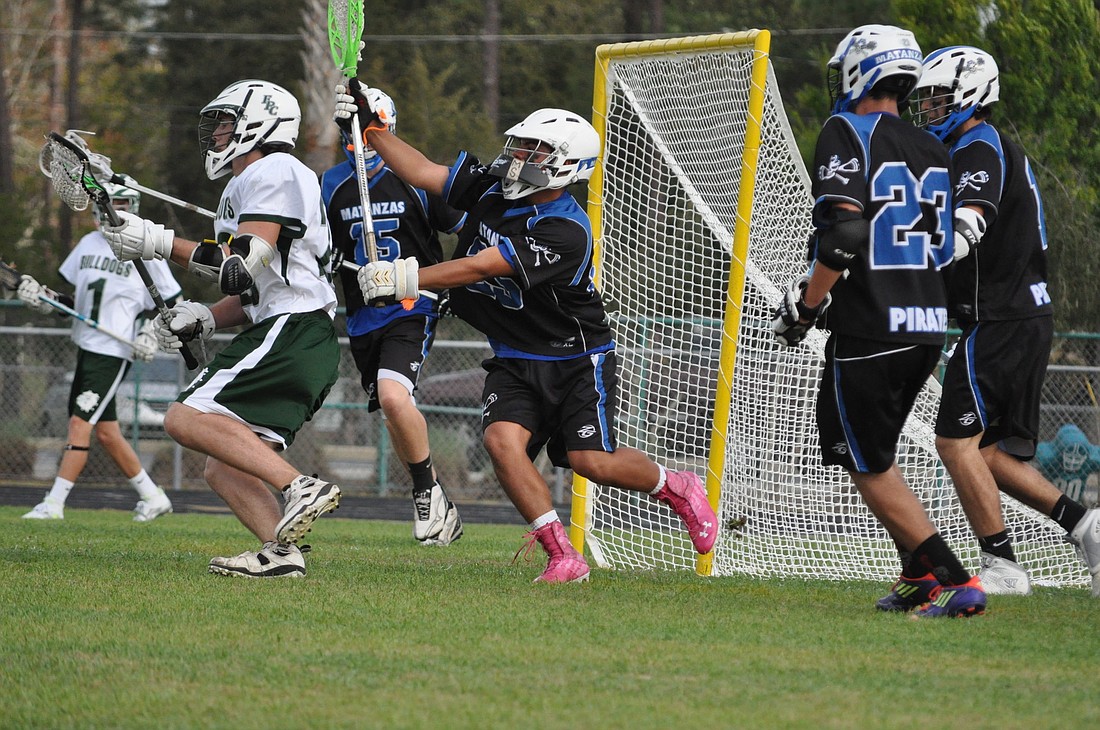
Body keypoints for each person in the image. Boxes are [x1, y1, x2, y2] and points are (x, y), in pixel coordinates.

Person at [335, 81, 719, 583]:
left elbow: (480, 267)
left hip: (575, 358)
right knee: (501, 443)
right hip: (515, 355)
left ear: (563, 166)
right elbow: (424, 171)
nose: (517, 156)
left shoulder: (565, 229)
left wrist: (405, 277)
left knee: (590, 462)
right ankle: (562, 554)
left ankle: (677, 486)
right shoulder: (495, 188)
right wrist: (373, 131)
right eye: (520, 145)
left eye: (533, 151)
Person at [771, 25, 986, 617]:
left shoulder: (846, 130)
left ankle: (953, 578)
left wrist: (808, 306)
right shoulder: (934, 147)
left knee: (863, 458)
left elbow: (843, 234)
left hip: (873, 328)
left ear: (858, 71)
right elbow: (937, 247)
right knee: (869, 453)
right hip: (923, 324)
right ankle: (917, 572)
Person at [103, 79, 342, 578]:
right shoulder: (250, 183)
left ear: (263, 123)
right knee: (224, 466)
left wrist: (158, 240)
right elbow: (255, 286)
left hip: (294, 329)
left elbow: (240, 265)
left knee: (183, 418)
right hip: (293, 331)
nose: (216, 134)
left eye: (227, 123)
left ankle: (300, 486)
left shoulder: (275, 168)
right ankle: (280, 555)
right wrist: (209, 316)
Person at [914, 46, 1100, 597]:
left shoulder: (977, 146)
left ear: (970, 94)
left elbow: (973, 218)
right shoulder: (978, 147)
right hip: (1021, 314)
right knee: (988, 451)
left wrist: (932, 252)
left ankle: (1004, 566)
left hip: (1000, 316)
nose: (927, 107)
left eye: (938, 96)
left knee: (954, 443)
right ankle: (1086, 525)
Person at [321, 85, 467, 546]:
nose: (356, 139)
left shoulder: (413, 179)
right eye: (350, 129)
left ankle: (425, 494)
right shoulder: (331, 184)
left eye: (365, 129)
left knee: (392, 396)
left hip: (411, 306)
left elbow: (470, 229)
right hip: (363, 317)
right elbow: (319, 246)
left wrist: (444, 285)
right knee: (392, 410)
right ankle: (434, 494)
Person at [20, 183, 177, 523]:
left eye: (118, 204)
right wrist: (45, 299)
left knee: (79, 424)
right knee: (106, 431)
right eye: (107, 204)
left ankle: (54, 503)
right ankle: (153, 497)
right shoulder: (89, 243)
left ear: (130, 206)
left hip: (112, 351)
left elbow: (171, 305)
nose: (110, 211)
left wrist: (150, 331)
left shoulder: (143, 249)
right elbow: (75, 304)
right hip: (86, 345)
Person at [1036, 424, 1100, 507]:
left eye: (1077, 458)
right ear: (1060, 453)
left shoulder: (1091, 461)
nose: (1073, 461)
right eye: (1070, 457)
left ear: (1085, 457)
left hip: (1074, 504)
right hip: (1050, 502)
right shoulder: (1049, 459)